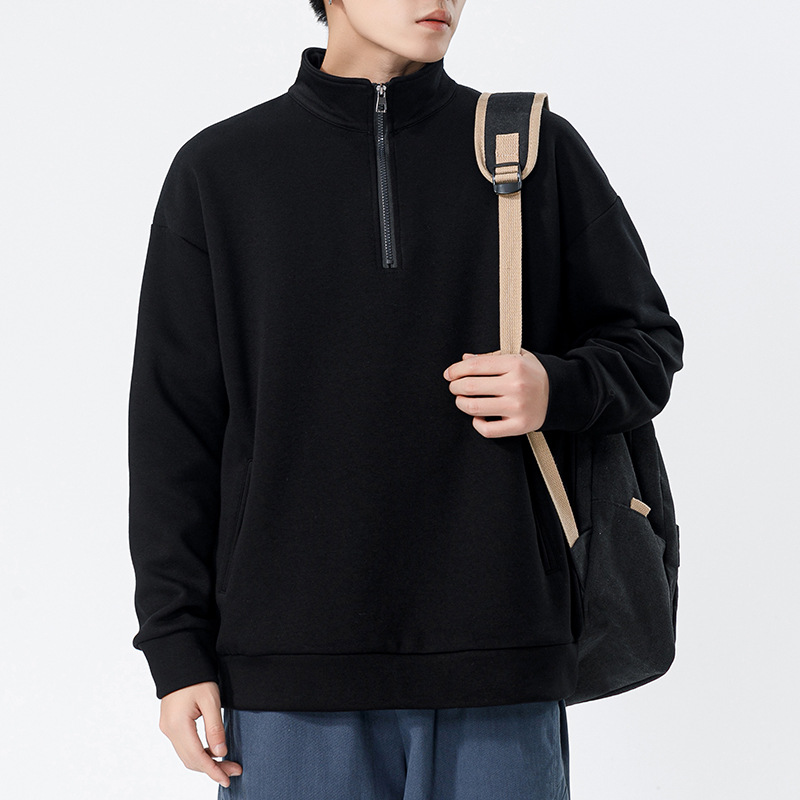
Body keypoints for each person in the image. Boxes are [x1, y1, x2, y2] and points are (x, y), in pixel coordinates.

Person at [127, 1, 684, 798]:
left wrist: (556, 386)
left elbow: (648, 345)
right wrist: (176, 649)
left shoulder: (533, 151)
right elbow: (173, 431)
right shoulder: (221, 170)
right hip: (286, 672)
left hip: (500, 657)